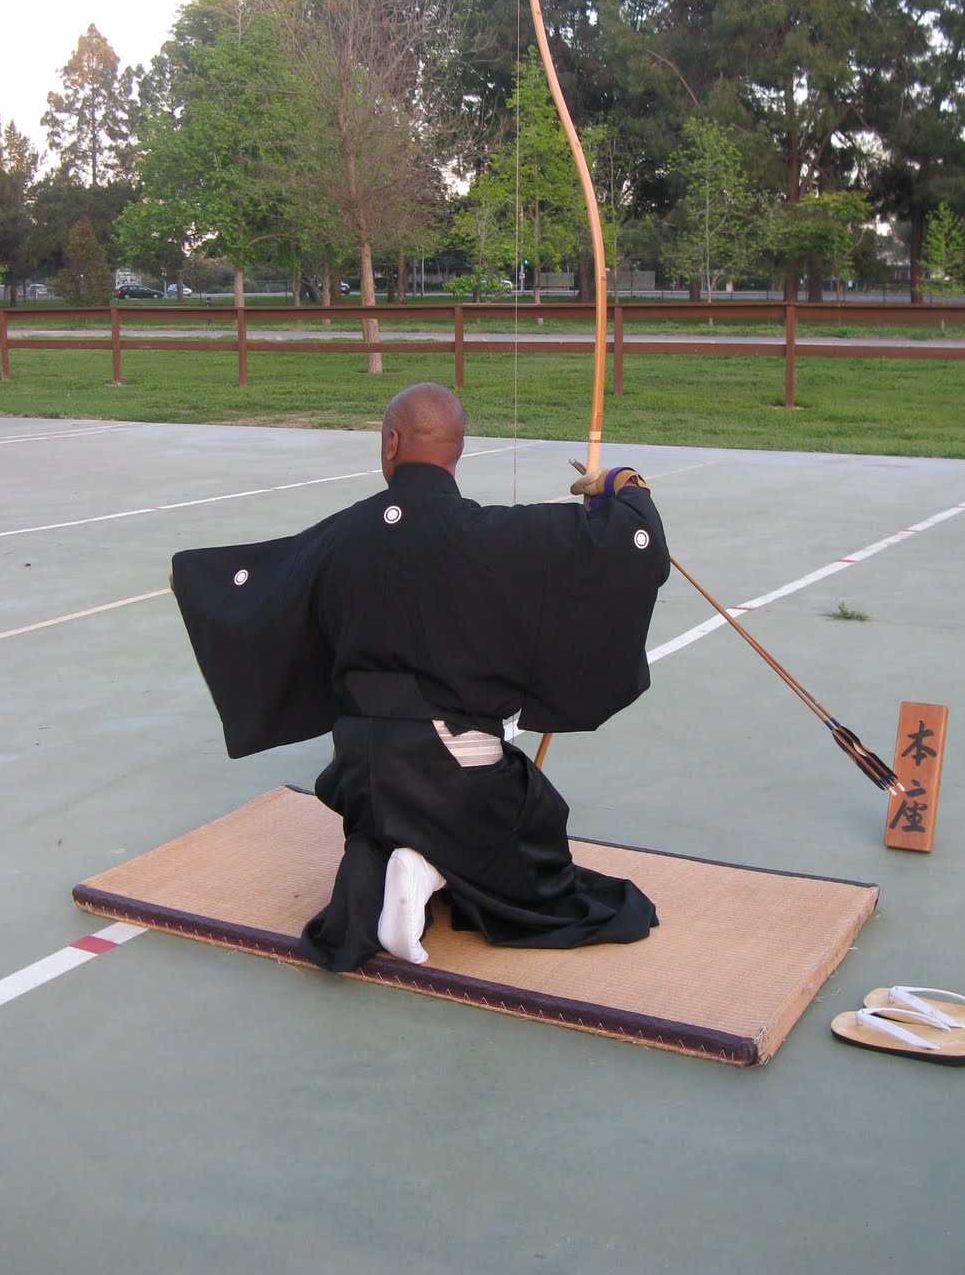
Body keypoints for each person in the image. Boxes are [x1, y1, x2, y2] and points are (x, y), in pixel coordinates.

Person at [170, 382, 670, 973]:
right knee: (537, 841)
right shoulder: (492, 536)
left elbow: (254, 590)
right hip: (449, 763)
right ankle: (431, 866)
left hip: (357, 766)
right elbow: (631, 549)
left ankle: (396, 867)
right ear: (457, 452)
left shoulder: (337, 536)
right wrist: (623, 487)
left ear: (391, 443)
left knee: (377, 826)